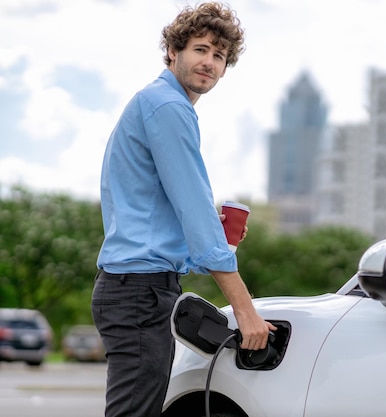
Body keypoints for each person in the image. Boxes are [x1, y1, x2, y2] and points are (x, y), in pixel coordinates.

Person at [91, 3, 276, 417]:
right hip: (138, 290)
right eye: (201, 49)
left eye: (220, 56)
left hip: (135, 286)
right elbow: (196, 212)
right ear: (173, 51)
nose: (209, 63)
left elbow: (160, 222)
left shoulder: (156, 103)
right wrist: (247, 313)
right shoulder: (169, 108)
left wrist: (208, 246)